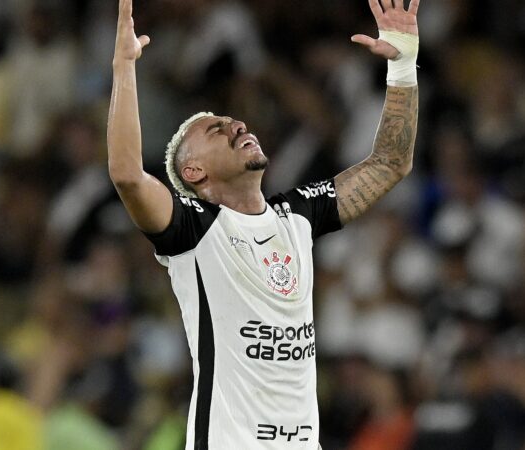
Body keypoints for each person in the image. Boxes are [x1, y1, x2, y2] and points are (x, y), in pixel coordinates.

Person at [107, 0, 420, 448]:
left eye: (232, 120)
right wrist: (124, 68)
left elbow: (391, 163)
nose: (236, 124)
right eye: (216, 130)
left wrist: (404, 65)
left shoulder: (297, 217)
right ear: (194, 174)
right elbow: (127, 176)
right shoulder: (194, 231)